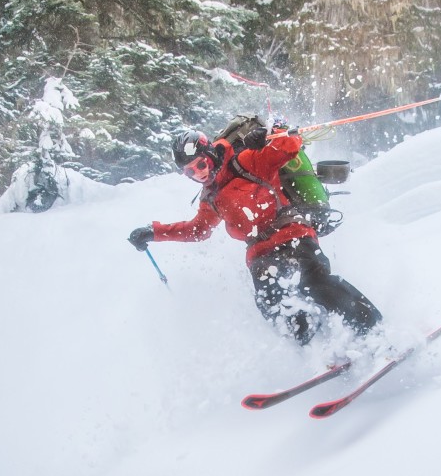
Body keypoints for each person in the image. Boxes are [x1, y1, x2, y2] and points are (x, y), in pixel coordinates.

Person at [128, 127, 382, 345]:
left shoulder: (247, 162)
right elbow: (197, 230)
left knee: (314, 282)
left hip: (291, 232)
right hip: (260, 252)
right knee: (270, 302)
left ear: (209, 155)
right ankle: (315, 344)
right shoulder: (211, 197)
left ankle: (374, 331)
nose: (200, 174)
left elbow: (290, 146)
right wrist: (154, 232)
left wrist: (268, 137)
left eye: (201, 165)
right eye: (191, 172)